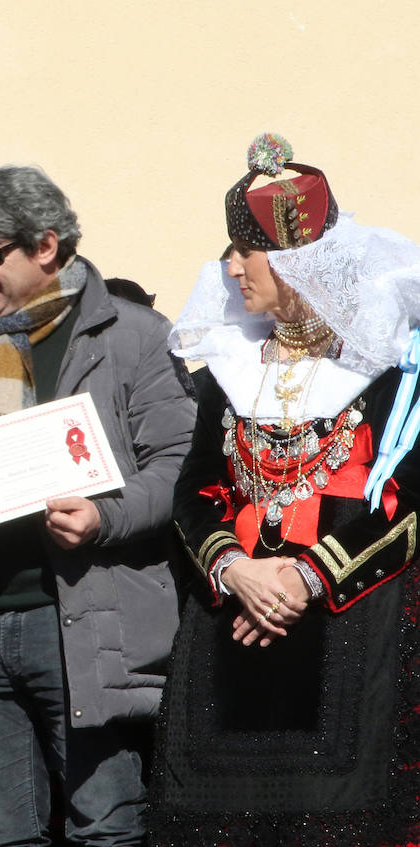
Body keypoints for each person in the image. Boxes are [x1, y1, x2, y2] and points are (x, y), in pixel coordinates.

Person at [0, 165, 195, 847]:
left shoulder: (135, 335)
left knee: (107, 828)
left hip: (87, 622)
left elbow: (179, 468)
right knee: (1, 837)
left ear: (46, 247)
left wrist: (103, 516)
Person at [150, 134, 420, 845]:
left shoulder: (389, 363)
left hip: (350, 627)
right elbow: (196, 489)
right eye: (230, 251)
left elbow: (402, 501)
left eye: (249, 250)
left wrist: (304, 577)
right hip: (229, 629)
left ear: (303, 261)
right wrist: (236, 569)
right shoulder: (231, 366)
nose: (232, 267)